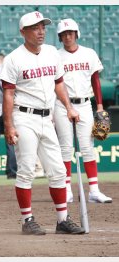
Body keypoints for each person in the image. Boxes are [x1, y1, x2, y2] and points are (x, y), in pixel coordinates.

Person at [0, 11, 85, 235]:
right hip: (24, 116)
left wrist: (68, 107)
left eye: (43, 27)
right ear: (23, 32)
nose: (41, 31)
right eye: (35, 27)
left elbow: (59, 83)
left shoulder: (51, 53)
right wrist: (8, 125)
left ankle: (62, 220)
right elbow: (8, 94)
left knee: (57, 170)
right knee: (27, 169)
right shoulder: (13, 59)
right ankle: (27, 220)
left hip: (47, 117)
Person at [53, 18, 112, 204]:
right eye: (63, 34)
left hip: (85, 104)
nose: (67, 36)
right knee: (65, 148)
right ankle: (67, 190)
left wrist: (100, 106)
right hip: (62, 105)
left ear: (76, 34)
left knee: (87, 147)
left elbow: (95, 80)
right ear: (60, 37)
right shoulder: (55, 56)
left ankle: (94, 190)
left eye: (70, 33)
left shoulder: (89, 53)